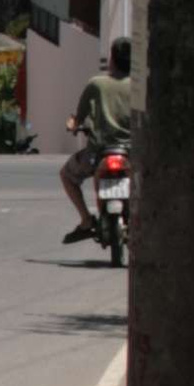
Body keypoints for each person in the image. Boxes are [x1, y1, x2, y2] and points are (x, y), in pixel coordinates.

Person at [60, 31, 135, 240]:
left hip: (99, 152)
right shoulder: (141, 85)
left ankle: (86, 220)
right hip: (133, 153)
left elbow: (78, 118)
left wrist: (71, 125)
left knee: (67, 175)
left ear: (112, 59)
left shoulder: (96, 84)